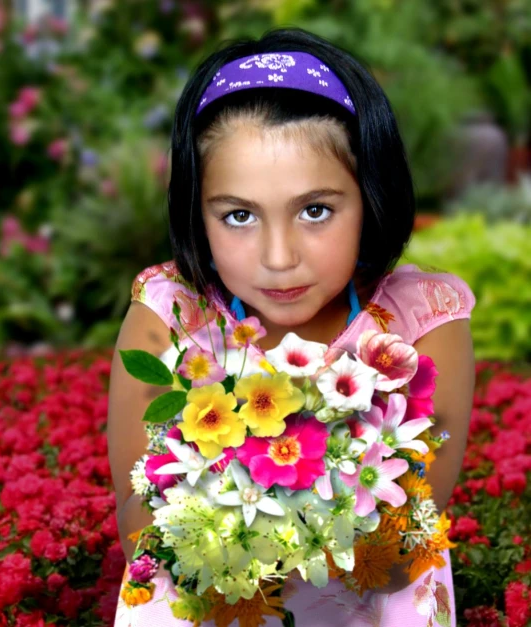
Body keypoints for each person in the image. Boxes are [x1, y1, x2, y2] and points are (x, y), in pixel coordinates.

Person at [107, 27, 476, 627]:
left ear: (372, 197)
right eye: (239, 215)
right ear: (197, 213)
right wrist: (289, 497)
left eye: (315, 211)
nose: (279, 258)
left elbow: (399, 561)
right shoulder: (170, 314)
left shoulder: (421, 323)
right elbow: (141, 539)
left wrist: (266, 496)